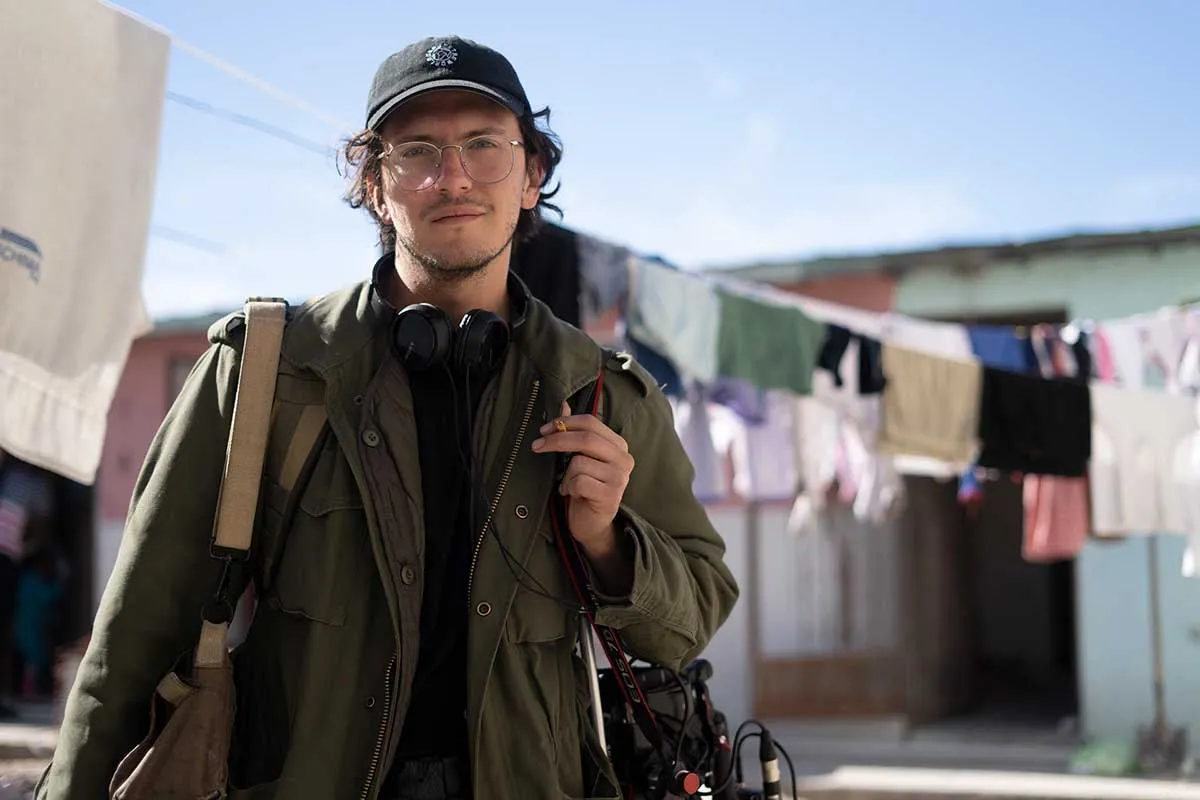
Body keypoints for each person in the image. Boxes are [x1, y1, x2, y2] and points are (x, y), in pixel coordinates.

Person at [37, 35, 738, 800]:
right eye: (417, 153)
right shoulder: (265, 374)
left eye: (484, 145)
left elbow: (693, 616)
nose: (453, 178)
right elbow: (134, 644)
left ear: (532, 174)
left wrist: (607, 543)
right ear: (374, 183)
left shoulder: (600, 394)